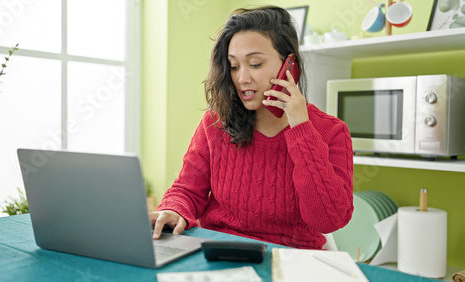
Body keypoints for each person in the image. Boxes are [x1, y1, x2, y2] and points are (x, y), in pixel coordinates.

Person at [150, 6, 353, 250]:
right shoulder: (216, 122)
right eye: (234, 66)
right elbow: (187, 191)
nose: (242, 78)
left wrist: (301, 127)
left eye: (255, 64)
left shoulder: (331, 131)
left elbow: (328, 219)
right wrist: (173, 209)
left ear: (289, 66)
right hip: (219, 250)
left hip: (290, 259)